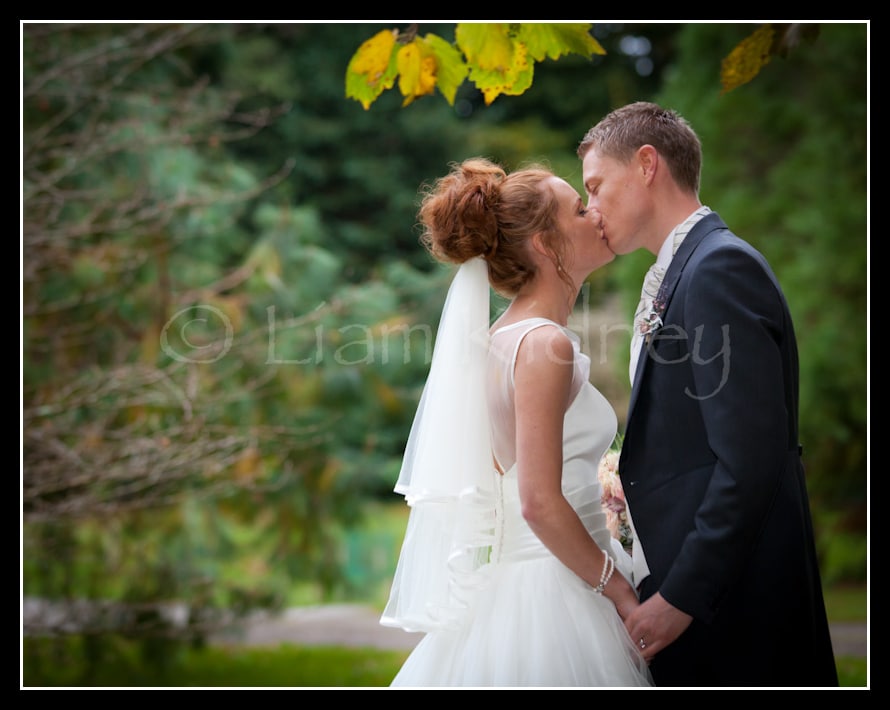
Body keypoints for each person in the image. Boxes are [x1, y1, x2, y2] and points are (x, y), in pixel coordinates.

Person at [577, 101, 838, 687]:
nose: (590, 208)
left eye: (595, 186)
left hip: (734, 603)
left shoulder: (717, 269)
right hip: (713, 593)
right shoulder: (689, 268)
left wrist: (681, 598)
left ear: (646, 164)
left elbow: (750, 457)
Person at [379, 157, 653, 687]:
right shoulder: (543, 344)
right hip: (558, 593)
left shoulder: (506, 338)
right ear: (547, 246)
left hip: (540, 576)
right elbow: (539, 502)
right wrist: (619, 591)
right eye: (579, 208)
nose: (595, 212)